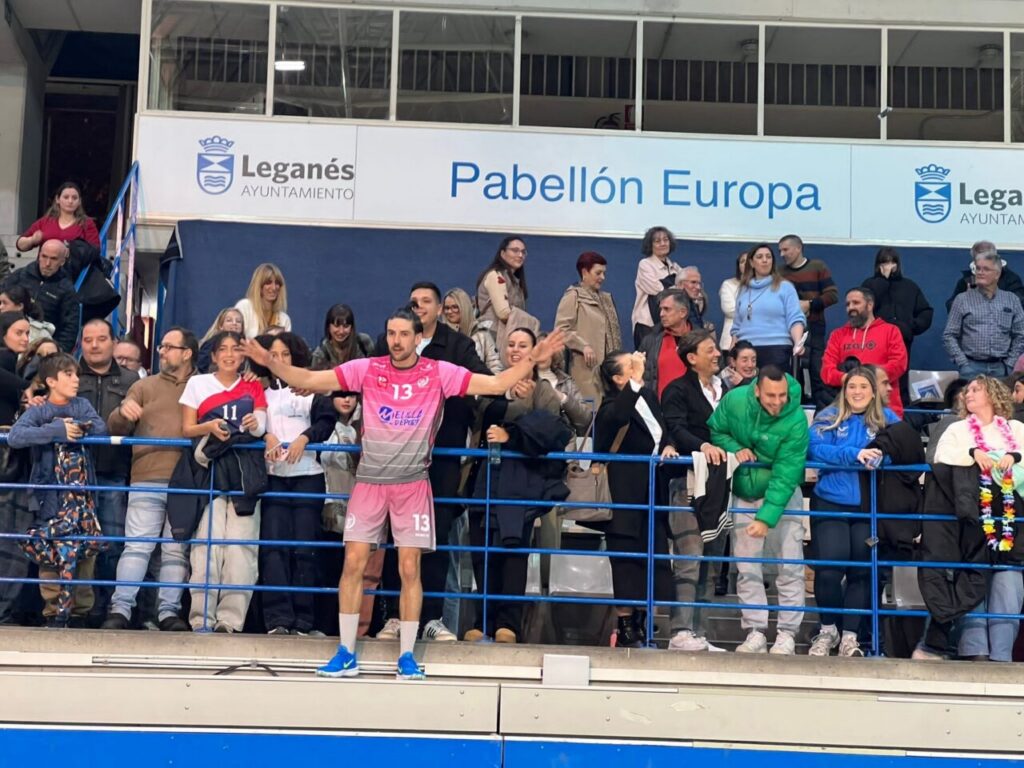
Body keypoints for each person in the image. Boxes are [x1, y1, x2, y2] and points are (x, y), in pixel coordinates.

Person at [242, 310, 564, 679]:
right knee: (353, 565)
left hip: (412, 483)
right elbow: (312, 378)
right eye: (391, 333)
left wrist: (532, 360)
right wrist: (269, 362)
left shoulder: (438, 372)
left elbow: (494, 385)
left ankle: (407, 656)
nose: (396, 340)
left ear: (417, 339)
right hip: (369, 482)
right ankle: (346, 652)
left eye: (403, 334)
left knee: (410, 568)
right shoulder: (367, 368)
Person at [374, 282, 492, 644]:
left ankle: (431, 618)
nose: (420, 307)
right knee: (396, 538)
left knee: (434, 537)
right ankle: (394, 617)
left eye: (427, 302)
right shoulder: (388, 343)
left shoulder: (457, 346)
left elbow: (482, 381)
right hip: (395, 456)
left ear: (440, 309)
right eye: (414, 302)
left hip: (440, 457)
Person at [919, 376, 1024, 662]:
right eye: (968, 391)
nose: (969, 394)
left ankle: (1002, 657)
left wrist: (1011, 458)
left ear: (993, 394)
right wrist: (974, 453)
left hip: (1009, 518)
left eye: (976, 389)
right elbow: (941, 456)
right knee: (971, 580)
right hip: (970, 516)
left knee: (1007, 585)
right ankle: (974, 651)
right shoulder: (957, 428)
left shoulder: (1015, 428)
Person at [101, 327, 197, 632]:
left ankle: (168, 612)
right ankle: (120, 610)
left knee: (174, 550)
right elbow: (115, 428)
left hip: (188, 480)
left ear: (187, 353)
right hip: (146, 476)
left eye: (169, 347)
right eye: (161, 347)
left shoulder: (204, 385)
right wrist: (121, 413)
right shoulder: (144, 386)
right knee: (137, 547)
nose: (161, 351)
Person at [708, 366, 809, 654]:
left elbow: (787, 473)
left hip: (783, 497)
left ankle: (787, 634)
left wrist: (766, 517)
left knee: (790, 566)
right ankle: (755, 631)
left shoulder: (797, 419)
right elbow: (717, 430)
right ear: (756, 390)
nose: (777, 402)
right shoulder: (735, 401)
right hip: (744, 492)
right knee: (747, 568)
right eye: (770, 396)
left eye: (782, 396)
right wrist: (735, 447)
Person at [9, 353, 108, 628]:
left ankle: (80, 613)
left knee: (86, 552)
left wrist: (79, 429)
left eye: (76, 374)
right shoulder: (39, 410)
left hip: (83, 498)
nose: (76, 379)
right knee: (50, 554)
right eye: (68, 374)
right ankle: (53, 611)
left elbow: (100, 427)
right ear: (51, 381)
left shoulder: (82, 405)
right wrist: (56, 430)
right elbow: (16, 436)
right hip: (50, 497)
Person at [807, 366, 899, 657]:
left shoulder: (887, 419)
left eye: (863, 386)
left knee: (861, 572)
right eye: (851, 387)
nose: (857, 392)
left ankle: (850, 637)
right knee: (830, 570)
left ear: (873, 391)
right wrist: (854, 454)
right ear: (844, 391)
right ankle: (827, 630)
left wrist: (885, 456)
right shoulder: (827, 416)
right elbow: (814, 449)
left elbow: (905, 448)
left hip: (868, 506)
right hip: (830, 502)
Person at [179, 330, 268, 633]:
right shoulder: (197, 383)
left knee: (241, 549)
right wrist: (209, 426)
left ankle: (230, 621)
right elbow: (187, 428)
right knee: (206, 547)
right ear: (214, 355)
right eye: (223, 350)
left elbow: (260, 427)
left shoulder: (254, 386)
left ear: (244, 355)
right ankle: (201, 619)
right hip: (210, 473)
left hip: (246, 477)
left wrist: (257, 424)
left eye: (236, 349)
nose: (230, 355)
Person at [593, 350, 678, 648]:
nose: (638, 365)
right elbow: (616, 418)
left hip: (652, 492)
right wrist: (634, 384)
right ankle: (625, 624)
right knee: (626, 561)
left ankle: (644, 620)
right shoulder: (610, 406)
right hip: (623, 495)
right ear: (619, 378)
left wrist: (668, 445)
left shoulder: (649, 397)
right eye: (630, 365)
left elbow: (661, 430)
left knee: (651, 556)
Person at [254, 333, 337, 636]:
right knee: (273, 548)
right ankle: (277, 619)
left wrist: (305, 438)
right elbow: (252, 424)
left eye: (285, 354)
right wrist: (267, 437)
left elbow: (327, 421)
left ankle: (304, 620)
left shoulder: (311, 386)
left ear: (297, 357)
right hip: (274, 476)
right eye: (273, 355)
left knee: (305, 548)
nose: (279, 360)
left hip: (308, 476)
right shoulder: (261, 391)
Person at [660, 330, 728, 652]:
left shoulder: (725, 390)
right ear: (691, 358)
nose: (717, 354)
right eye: (710, 350)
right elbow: (675, 428)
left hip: (719, 483)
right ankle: (679, 632)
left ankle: (700, 633)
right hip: (686, 480)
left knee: (711, 561)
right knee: (690, 557)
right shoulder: (677, 390)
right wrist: (702, 446)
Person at [76, 318, 139, 625]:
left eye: (101, 339)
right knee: (77, 544)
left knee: (113, 543)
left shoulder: (131, 380)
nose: (95, 345)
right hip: (74, 477)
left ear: (113, 343)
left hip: (115, 472)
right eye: (88, 340)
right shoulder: (68, 374)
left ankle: (108, 609)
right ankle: (79, 609)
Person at [821, 287, 909, 417]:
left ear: (870, 305)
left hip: (885, 410)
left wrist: (868, 379)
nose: (850, 308)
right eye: (847, 304)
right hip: (848, 410)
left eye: (856, 303)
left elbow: (898, 364)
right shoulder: (837, 335)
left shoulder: (891, 331)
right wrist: (849, 379)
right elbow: (826, 371)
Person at [862, 247, 933, 408]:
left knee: (899, 379)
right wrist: (882, 280)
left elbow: (925, 311)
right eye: (885, 262)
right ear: (878, 264)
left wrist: (910, 327)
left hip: (901, 339)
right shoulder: (869, 284)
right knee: (873, 377)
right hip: (874, 342)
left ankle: (898, 417)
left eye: (892, 261)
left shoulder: (909, 286)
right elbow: (865, 307)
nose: (889, 266)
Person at [553, 251, 623, 405]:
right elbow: (561, 330)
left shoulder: (607, 298)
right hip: (587, 369)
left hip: (611, 371)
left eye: (604, 273)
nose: (602, 278)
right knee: (590, 415)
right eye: (598, 273)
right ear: (584, 272)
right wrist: (583, 345)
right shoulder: (573, 296)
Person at [943, 248, 1024, 379]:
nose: (980, 272)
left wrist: (1009, 364)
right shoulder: (962, 299)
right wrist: (963, 363)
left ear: (997, 274)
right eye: (978, 268)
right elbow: (949, 335)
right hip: (971, 368)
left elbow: (1020, 335)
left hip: (1002, 370)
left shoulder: (1012, 299)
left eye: (986, 269)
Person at [779, 234, 838, 408]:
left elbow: (833, 295)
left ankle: (821, 413)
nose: (782, 254)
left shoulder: (817, 267)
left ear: (798, 248)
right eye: (780, 250)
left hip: (814, 325)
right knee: (790, 371)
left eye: (785, 249)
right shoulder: (780, 273)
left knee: (816, 369)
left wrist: (809, 304)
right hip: (786, 328)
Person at [0, 312, 32, 625]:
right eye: (19, 332)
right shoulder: (6, 360)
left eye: (27, 333)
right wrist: (29, 388)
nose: (25, 338)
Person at [730, 243, 805, 372]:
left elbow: (795, 319)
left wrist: (798, 343)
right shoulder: (743, 290)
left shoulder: (785, 287)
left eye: (768, 257)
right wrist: (732, 352)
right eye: (759, 257)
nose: (765, 260)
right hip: (746, 351)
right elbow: (737, 326)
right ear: (752, 263)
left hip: (776, 349)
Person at [0, 239, 80, 352]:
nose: (47, 263)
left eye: (53, 259)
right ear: (39, 256)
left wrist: (58, 352)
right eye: (44, 256)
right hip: (8, 339)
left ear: (62, 261)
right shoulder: (20, 275)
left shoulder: (67, 289)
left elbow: (70, 327)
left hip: (42, 347)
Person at [631, 226, 682, 348]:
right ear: (650, 245)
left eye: (666, 239)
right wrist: (677, 288)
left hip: (668, 324)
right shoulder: (645, 264)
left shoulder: (675, 267)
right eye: (657, 241)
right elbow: (658, 290)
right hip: (647, 325)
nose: (663, 243)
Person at [15, 181, 99, 252]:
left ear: (79, 201)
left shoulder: (87, 223)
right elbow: (20, 245)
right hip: (46, 269)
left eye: (74, 198)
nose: (70, 201)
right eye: (66, 197)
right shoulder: (45, 222)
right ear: (57, 199)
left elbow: (95, 250)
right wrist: (32, 240)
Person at [638, 290, 692, 399]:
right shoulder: (650, 341)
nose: (661, 314)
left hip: (693, 409)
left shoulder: (703, 340)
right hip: (659, 409)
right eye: (661, 309)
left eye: (667, 309)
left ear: (683, 312)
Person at [946, 241, 1024, 311]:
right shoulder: (968, 279)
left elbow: (1018, 305)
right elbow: (951, 305)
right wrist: (964, 300)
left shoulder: (1011, 279)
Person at [442, 288, 501, 373]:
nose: (450, 311)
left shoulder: (482, 334)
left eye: (455, 307)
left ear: (464, 307)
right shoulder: (440, 335)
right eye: (447, 308)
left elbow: (495, 365)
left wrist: (493, 384)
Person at [475, 236, 528, 330]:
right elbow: (504, 313)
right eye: (515, 250)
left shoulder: (516, 282)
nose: (520, 255)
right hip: (492, 336)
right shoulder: (495, 275)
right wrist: (530, 321)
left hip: (508, 334)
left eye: (523, 252)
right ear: (503, 253)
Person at [310, 304, 375, 370]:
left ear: (352, 327)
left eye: (346, 326)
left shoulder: (364, 342)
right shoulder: (320, 354)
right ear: (328, 327)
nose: (341, 331)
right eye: (336, 326)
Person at [235, 263, 290, 339]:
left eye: (277, 283)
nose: (274, 288)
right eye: (268, 283)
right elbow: (235, 340)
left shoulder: (284, 319)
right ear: (259, 286)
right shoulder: (245, 306)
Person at [197, 308, 245, 373]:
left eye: (238, 321)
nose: (234, 323)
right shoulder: (211, 343)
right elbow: (202, 366)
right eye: (229, 320)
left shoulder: (247, 346)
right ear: (220, 326)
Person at [718, 251, 747, 351]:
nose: (745, 264)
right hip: (730, 341)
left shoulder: (765, 286)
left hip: (757, 341)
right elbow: (729, 310)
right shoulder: (728, 284)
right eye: (742, 261)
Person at [677, 266, 713, 333]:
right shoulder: (674, 304)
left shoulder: (692, 303)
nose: (698, 287)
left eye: (699, 283)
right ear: (680, 284)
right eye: (693, 282)